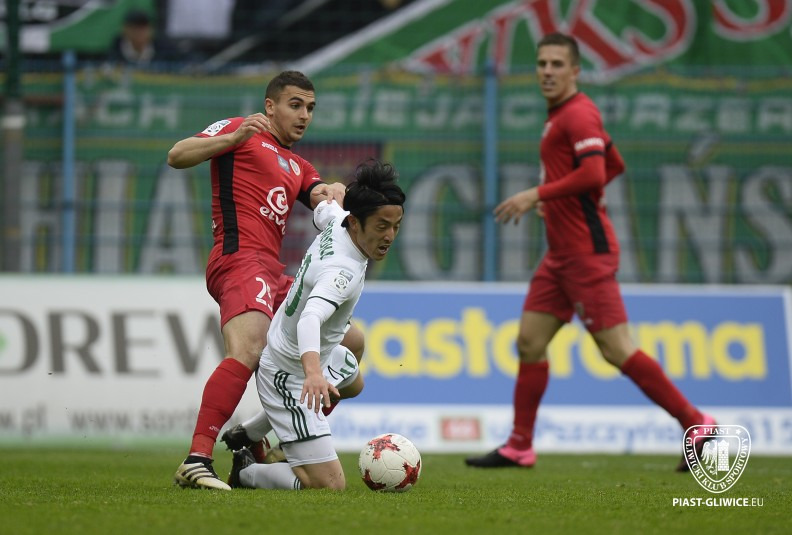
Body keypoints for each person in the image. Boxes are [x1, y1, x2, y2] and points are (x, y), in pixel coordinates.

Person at [464, 33, 715, 471]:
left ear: (575, 70)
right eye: (541, 63)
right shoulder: (563, 115)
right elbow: (614, 164)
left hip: (585, 254)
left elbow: (596, 173)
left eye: (557, 64)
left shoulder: (578, 114)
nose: (547, 71)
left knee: (616, 349)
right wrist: (559, 199)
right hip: (559, 256)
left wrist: (537, 194)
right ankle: (520, 446)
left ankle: (696, 422)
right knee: (530, 341)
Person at [168, 70, 357, 490]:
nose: (304, 115)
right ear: (270, 106)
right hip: (238, 258)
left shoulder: (299, 165)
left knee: (353, 345)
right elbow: (177, 155)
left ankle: (255, 434)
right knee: (250, 347)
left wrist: (334, 191)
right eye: (295, 105)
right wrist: (231, 140)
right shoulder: (242, 129)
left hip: (273, 270)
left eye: (310, 108)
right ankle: (197, 458)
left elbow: (317, 193)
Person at [227, 159, 405, 491]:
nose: (389, 236)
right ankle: (245, 473)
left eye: (396, 225)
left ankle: (251, 431)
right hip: (289, 374)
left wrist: (332, 194)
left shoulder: (338, 221)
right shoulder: (342, 271)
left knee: (353, 378)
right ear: (356, 223)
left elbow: (324, 209)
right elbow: (310, 318)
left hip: (298, 348)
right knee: (330, 486)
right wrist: (313, 374)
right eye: (382, 226)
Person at [106, 9, 175, 67]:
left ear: (152, 30)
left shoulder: (166, 52)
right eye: (134, 28)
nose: (139, 32)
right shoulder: (114, 52)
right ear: (124, 29)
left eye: (143, 28)